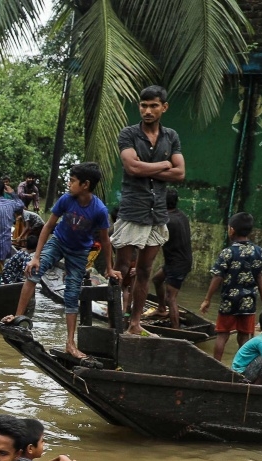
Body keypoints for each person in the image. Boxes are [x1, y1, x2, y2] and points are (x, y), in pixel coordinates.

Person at [1, 163, 122, 360]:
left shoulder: (99, 210)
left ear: (85, 185)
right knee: (33, 272)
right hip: (58, 242)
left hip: (79, 252)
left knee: (72, 294)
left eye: (72, 181)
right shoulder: (66, 199)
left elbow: (105, 240)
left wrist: (109, 268)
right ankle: (18, 318)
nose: (68, 184)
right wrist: (36, 257)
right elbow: (48, 226)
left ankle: (70, 343)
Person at [115, 85, 185, 335]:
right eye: (144, 105)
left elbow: (180, 173)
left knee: (144, 270)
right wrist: (165, 164)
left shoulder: (171, 136)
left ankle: (135, 323)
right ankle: (115, 320)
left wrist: (148, 168)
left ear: (164, 107)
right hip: (132, 210)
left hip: (157, 213)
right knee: (121, 269)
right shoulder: (129, 134)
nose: (147, 110)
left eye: (153, 106)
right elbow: (132, 168)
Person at [200, 212, 262, 362]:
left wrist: (207, 299)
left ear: (231, 230)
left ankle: (216, 364)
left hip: (229, 301)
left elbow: (217, 277)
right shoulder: (258, 251)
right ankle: (241, 367)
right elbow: (260, 276)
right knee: (244, 336)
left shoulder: (228, 252)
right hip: (248, 302)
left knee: (222, 334)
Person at [150, 188, 192, 329]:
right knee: (157, 280)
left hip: (177, 263)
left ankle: (175, 329)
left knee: (171, 297)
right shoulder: (181, 215)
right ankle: (162, 309)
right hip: (177, 261)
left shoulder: (167, 221)